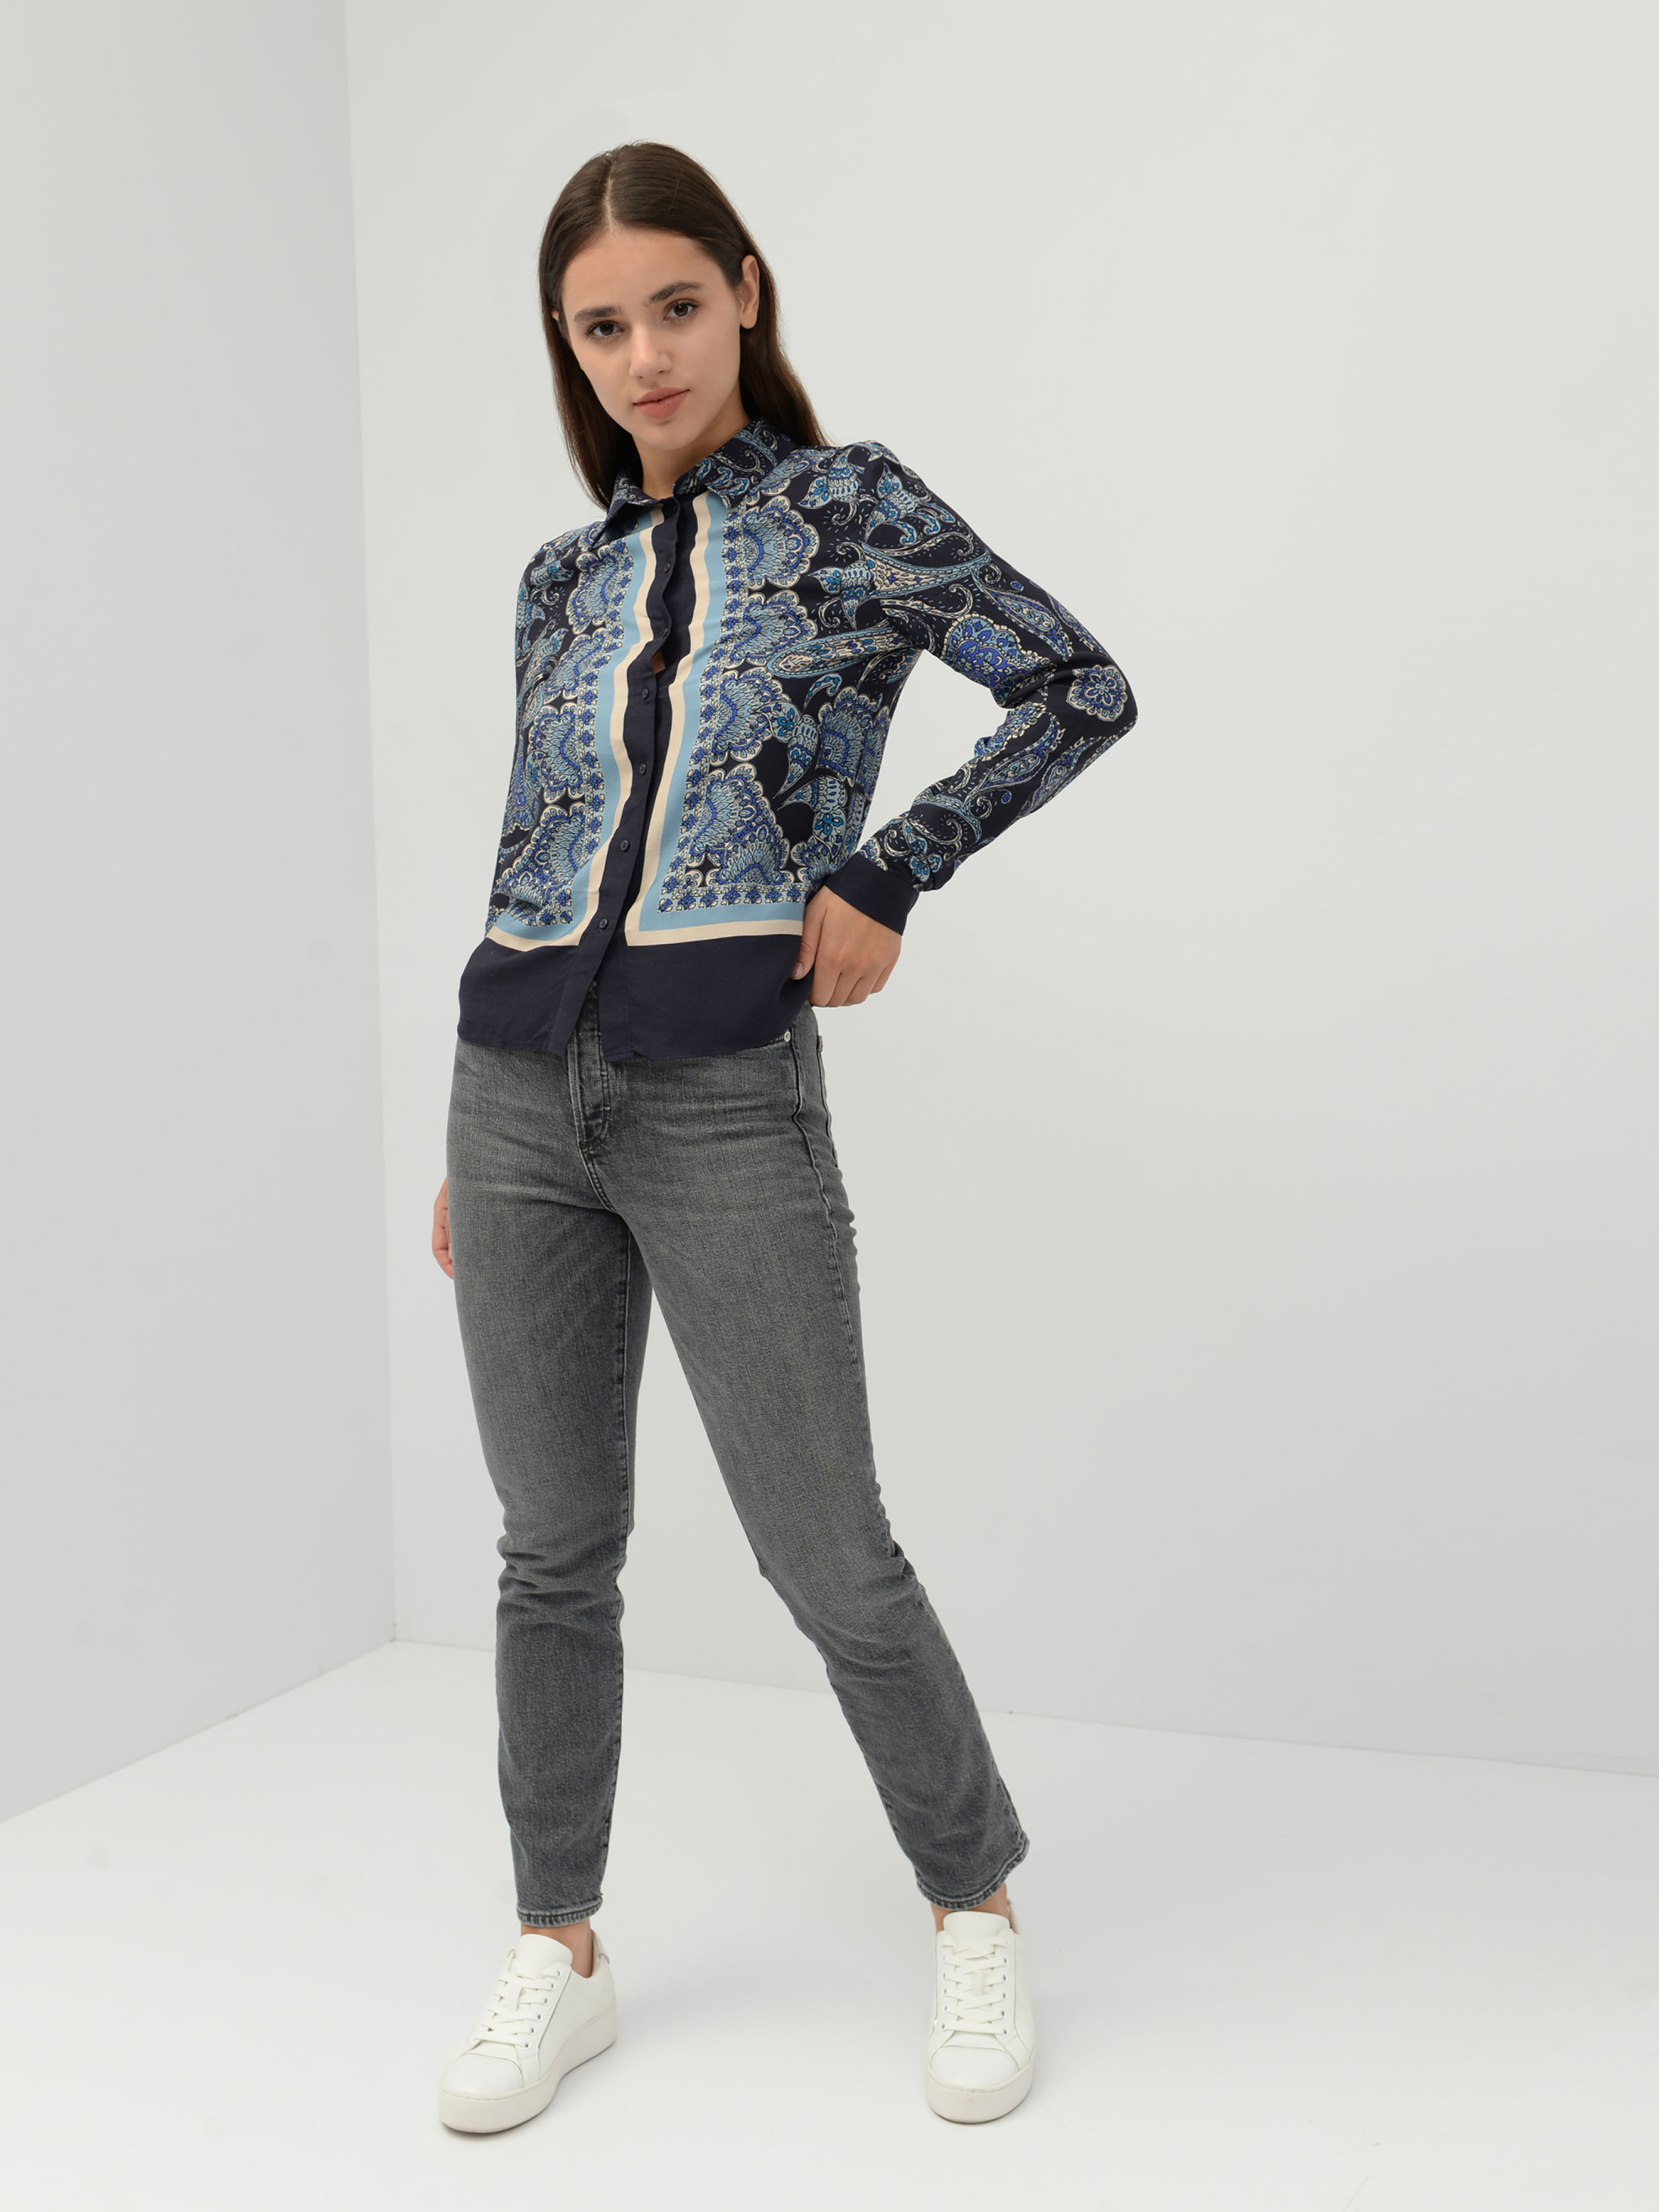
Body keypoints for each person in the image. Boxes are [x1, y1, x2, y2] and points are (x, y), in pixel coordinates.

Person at [430, 141, 1136, 2134]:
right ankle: (557, 1948)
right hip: (513, 1095)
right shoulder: (558, 580)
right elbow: (533, 840)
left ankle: (972, 1902)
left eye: (674, 305)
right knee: (550, 1551)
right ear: (566, 347)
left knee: (827, 1550)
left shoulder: (852, 511)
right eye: (599, 326)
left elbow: (1075, 686)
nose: (642, 355)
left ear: (743, 290)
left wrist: (890, 871)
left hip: (719, 1091)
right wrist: (466, 1140)